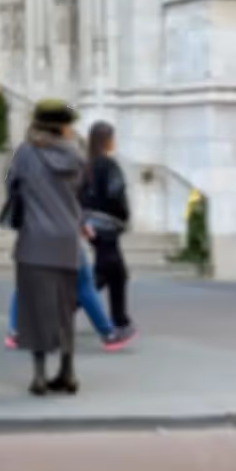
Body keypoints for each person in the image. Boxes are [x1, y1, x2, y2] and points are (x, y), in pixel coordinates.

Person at [3, 99, 84, 396]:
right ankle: (68, 372)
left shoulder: (25, 153)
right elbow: (79, 191)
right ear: (63, 126)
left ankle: (39, 375)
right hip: (67, 241)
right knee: (65, 309)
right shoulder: (75, 156)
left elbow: (11, 185)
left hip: (34, 242)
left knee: (36, 310)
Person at [5, 239, 125, 350]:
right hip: (65, 237)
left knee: (25, 283)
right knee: (83, 285)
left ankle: (15, 332)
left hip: (33, 239)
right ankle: (108, 334)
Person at [80, 120, 138, 344]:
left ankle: (119, 319)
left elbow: (80, 196)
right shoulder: (108, 165)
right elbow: (116, 194)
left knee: (109, 274)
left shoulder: (88, 165)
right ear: (107, 141)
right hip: (108, 226)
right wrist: (123, 216)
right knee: (110, 274)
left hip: (92, 225)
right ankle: (119, 321)